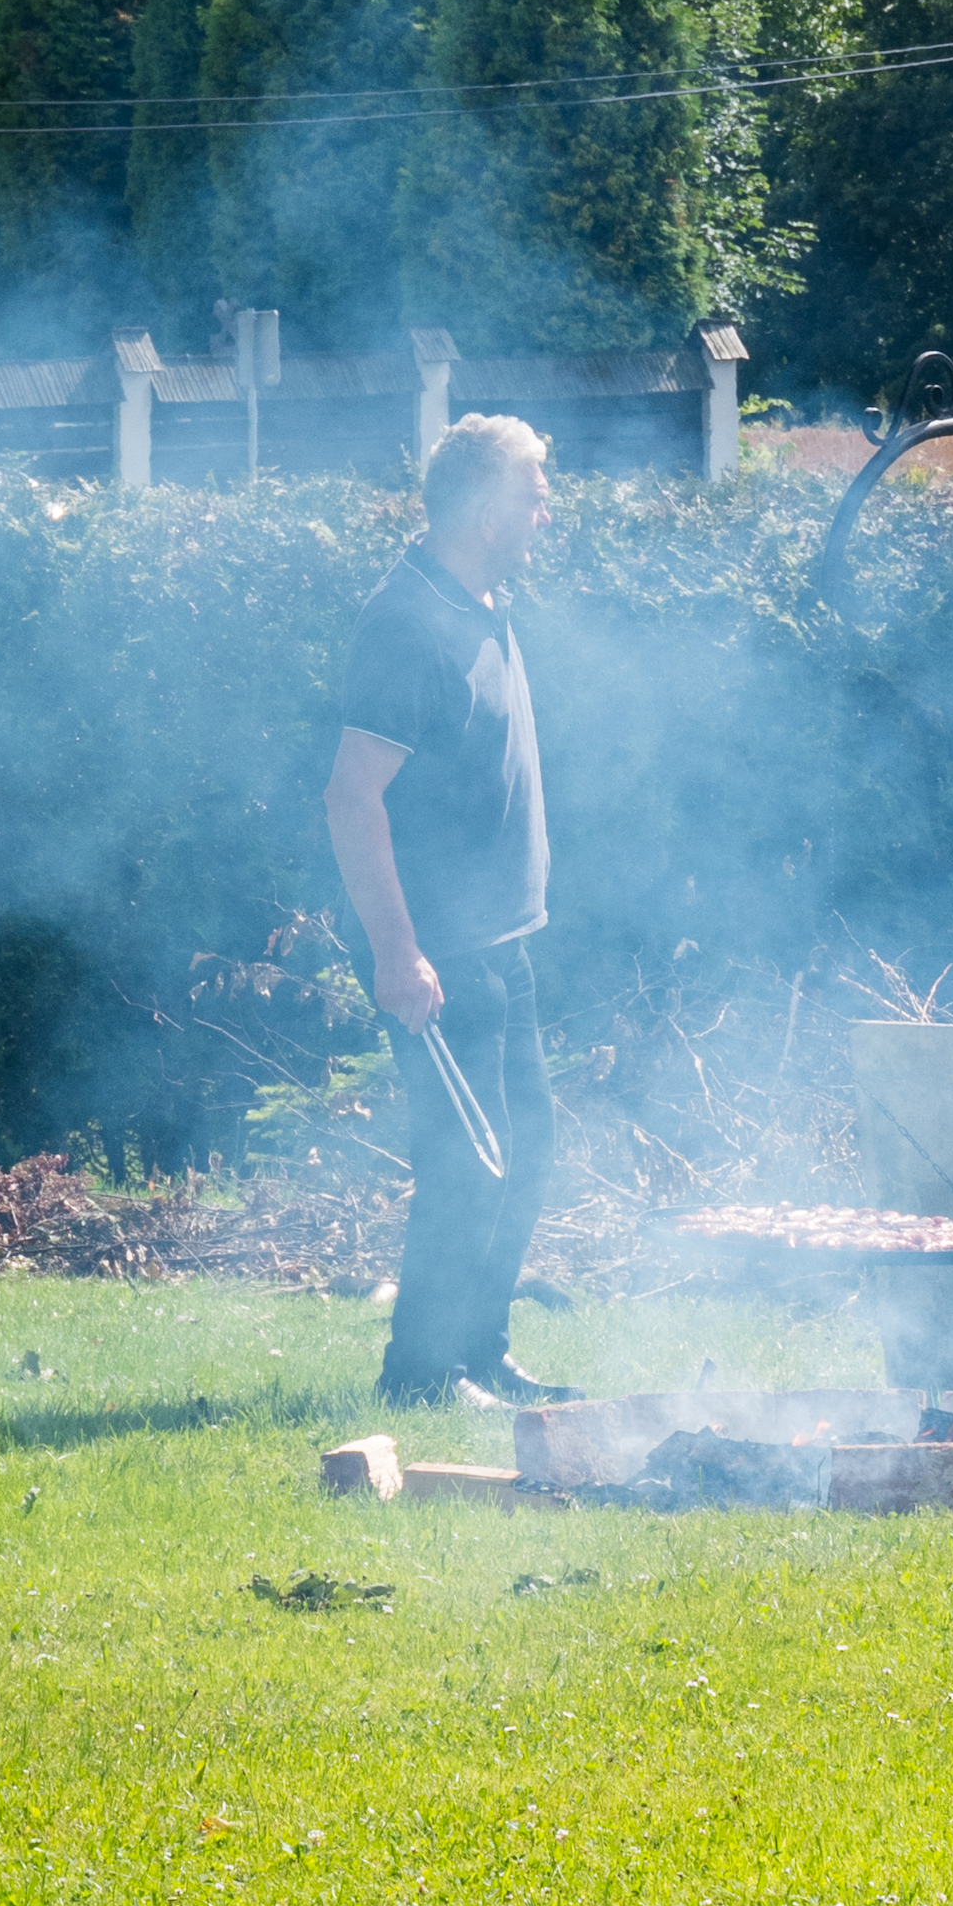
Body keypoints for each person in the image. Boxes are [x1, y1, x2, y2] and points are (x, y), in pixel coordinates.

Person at [325, 414, 573, 1409]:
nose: (543, 510)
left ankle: (481, 1348)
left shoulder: (480, 602)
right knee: (467, 1167)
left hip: (497, 940)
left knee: (528, 1153)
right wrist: (396, 953)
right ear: (480, 506)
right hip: (436, 951)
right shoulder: (407, 623)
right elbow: (351, 796)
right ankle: (420, 1377)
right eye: (529, 492)